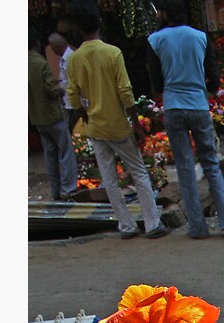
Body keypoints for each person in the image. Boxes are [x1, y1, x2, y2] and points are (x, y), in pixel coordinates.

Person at [66, 1, 169, 239]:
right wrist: (136, 123)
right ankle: (152, 224)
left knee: (109, 179)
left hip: (95, 127)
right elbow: (125, 91)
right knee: (138, 172)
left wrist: (86, 116)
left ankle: (127, 226)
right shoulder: (112, 53)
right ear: (100, 22)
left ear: (78, 28)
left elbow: (72, 96)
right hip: (118, 125)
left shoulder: (75, 59)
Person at [146, 0, 224, 239]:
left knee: (185, 167)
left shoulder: (155, 40)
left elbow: (157, 83)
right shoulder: (201, 37)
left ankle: (198, 227)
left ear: (165, 14)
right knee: (211, 163)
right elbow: (214, 80)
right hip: (198, 105)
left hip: (174, 107)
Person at [28, 26, 78, 202]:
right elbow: (51, 89)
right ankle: (68, 189)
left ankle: (56, 191)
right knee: (65, 152)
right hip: (52, 115)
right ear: (36, 43)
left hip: (37, 117)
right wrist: (61, 90)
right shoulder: (40, 63)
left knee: (50, 155)